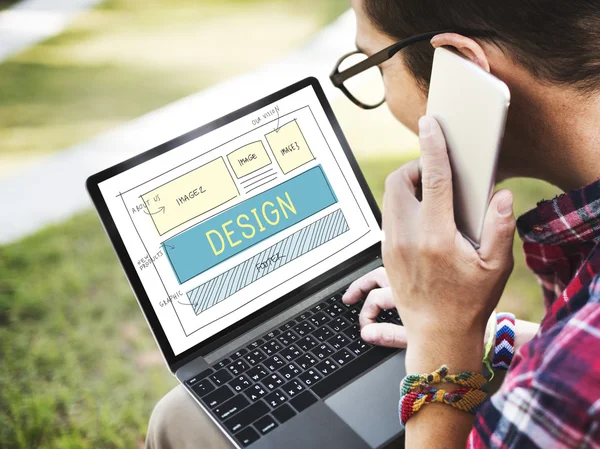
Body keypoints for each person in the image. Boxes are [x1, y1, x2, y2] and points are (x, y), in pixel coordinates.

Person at [146, 0, 600, 447]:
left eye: (374, 65)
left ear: (463, 69)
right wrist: (483, 335)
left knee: (177, 420)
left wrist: (442, 343)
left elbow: (569, 376)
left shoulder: (568, 390)